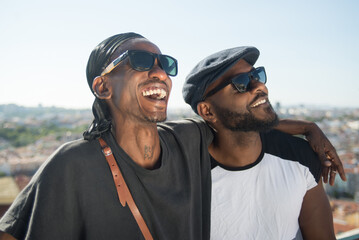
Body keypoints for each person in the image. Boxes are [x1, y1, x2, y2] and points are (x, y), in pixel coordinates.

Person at [0, 33, 343, 240]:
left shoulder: (188, 138)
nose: (159, 72)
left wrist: (308, 128)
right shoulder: (73, 163)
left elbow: (239, 119)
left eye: (164, 63)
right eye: (139, 60)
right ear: (102, 86)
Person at [183, 46, 337, 239]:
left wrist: (309, 127)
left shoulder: (299, 156)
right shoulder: (190, 180)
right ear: (208, 111)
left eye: (257, 76)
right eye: (241, 83)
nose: (260, 87)